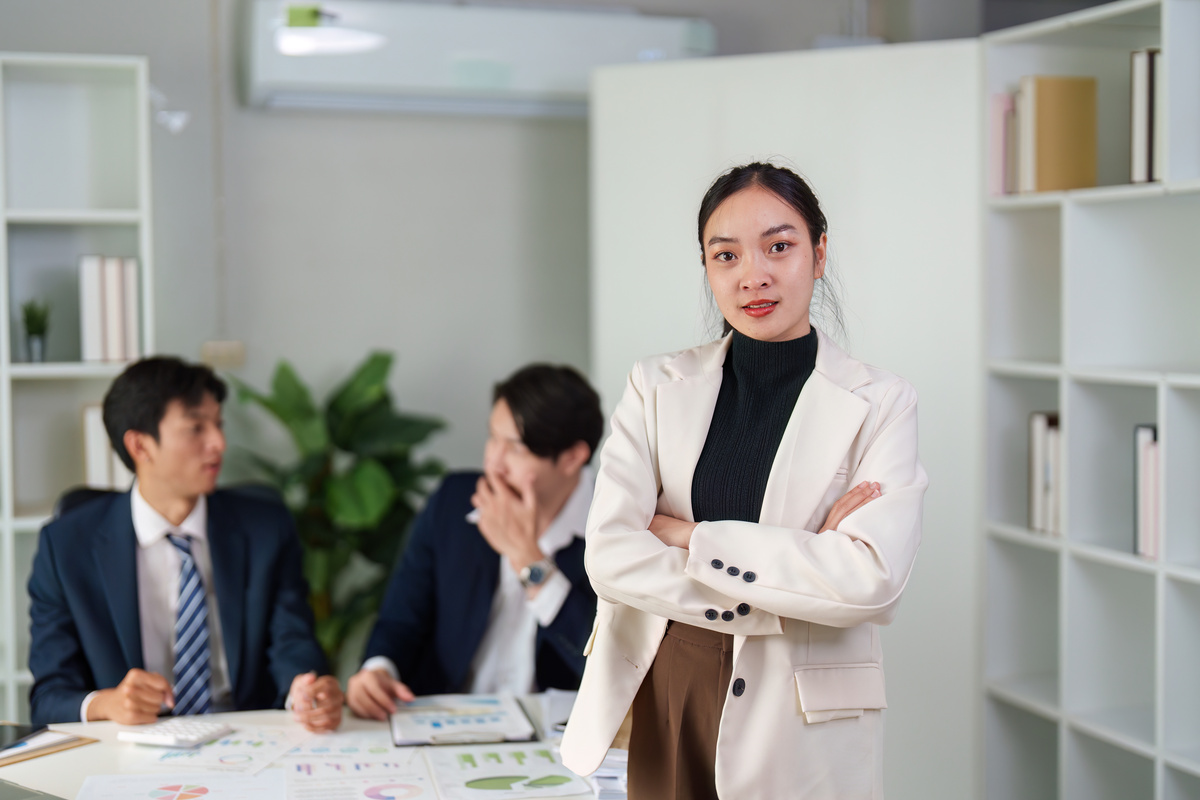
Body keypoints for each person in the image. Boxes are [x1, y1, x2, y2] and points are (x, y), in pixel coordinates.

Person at [559, 162, 928, 799]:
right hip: (671, 678)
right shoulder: (656, 387)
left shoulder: (882, 401)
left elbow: (871, 581)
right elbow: (611, 556)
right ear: (707, 268)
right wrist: (801, 570)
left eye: (778, 247)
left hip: (801, 708)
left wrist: (687, 534)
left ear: (817, 255)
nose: (752, 274)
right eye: (724, 255)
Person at [28, 357, 342, 731]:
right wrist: (107, 703)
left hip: (248, 739)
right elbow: (49, 696)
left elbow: (291, 641)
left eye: (218, 425)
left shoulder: (265, 529)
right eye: (196, 428)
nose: (219, 443)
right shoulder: (66, 547)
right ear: (140, 445)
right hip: (134, 746)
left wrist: (304, 693)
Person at [345, 364, 603, 720]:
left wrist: (530, 562)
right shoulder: (453, 502)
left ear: (572, 457)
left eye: (513, 448)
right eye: (492, 438)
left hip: (555, 737)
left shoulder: (613, 526)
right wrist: (378, 670)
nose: (492, 463)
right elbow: (400, 621)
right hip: (448, 724)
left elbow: (611, 663)